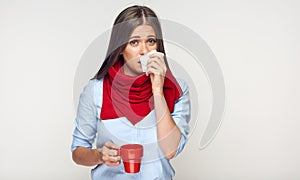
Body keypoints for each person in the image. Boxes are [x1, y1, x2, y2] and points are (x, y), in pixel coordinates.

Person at [71, 5, 191, 180]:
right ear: (120, 48)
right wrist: (99, 155)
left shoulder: (177, 89)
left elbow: (171, 150)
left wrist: (157, 90)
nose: (144, 51)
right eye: (134, 42)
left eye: (151, 41)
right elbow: (77, 151)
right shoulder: (96, 90)